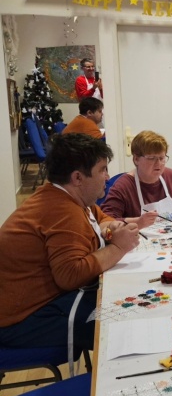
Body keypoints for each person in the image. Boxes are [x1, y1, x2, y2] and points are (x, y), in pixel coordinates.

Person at [0, 134, 141, 352]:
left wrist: (110, 228)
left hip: (35, 306)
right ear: (77, 178)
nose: (107, 176)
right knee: (123, 323)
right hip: (21, 321)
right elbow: (70, 274)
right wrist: (118, 247)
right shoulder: (62, 211)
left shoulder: (63, 196)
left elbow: (100, 216)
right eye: (102, 170)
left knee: (126, 303)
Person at [101, 130, 172, 221]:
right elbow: (108, 221)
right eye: (152, 158)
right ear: (136, 159)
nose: (158, 163)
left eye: (162, 158)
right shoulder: (123, 186)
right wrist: (136, 222)